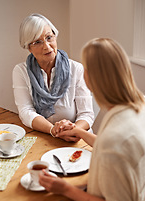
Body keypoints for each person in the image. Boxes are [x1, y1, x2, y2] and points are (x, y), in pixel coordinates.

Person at [39, 38, 145, 201]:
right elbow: (121, 148)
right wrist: (81, 133)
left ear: (91, 79)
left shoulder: (114, 139)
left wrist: (65, 188)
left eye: (85, 69)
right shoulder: (142, 104)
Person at [12, 13, 94, 142]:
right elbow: (25, 111)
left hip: (78, 138)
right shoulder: (21, 71)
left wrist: (73, 131)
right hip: (43, 137)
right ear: (29, 48)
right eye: (38, 42)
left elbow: (86, 114)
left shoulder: (76, 68)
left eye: (49, 37)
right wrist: (53, 130)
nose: (47, 46)